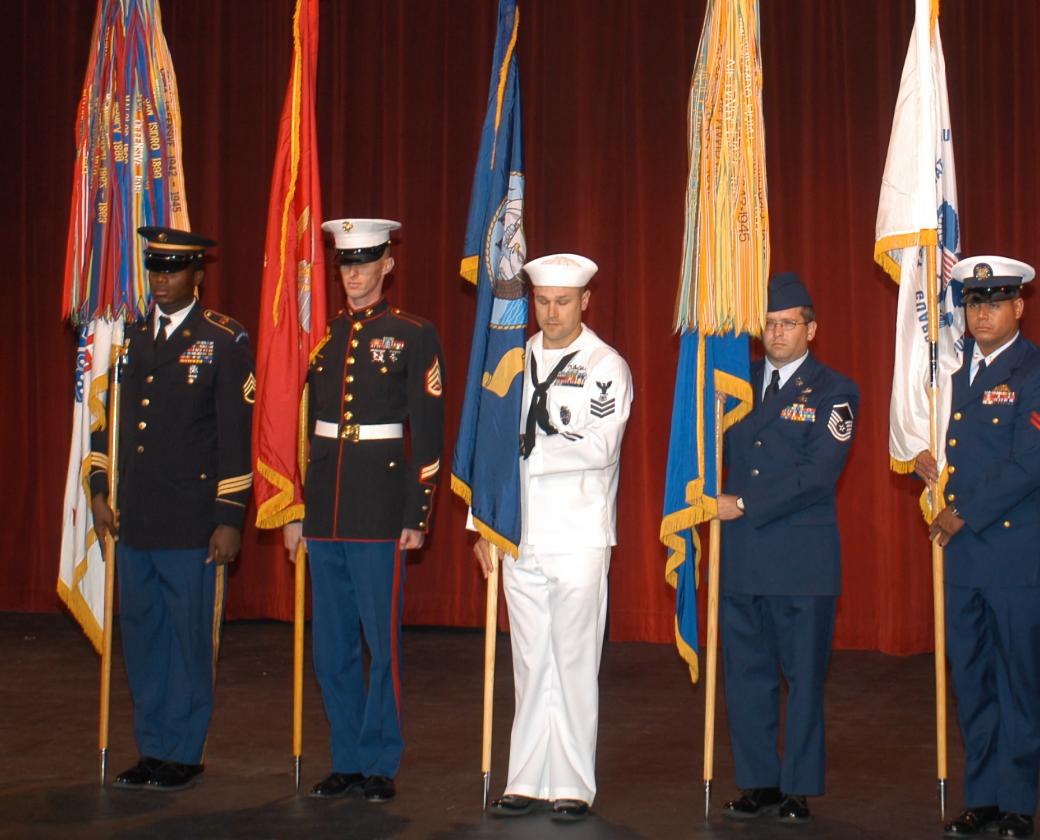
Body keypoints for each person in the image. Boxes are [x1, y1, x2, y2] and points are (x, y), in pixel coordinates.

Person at [282, 218, 445, 803]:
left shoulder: (412, 334)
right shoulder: (321, 337)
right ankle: (346, 758)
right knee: (332, 648)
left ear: (387, 266)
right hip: (325, 506)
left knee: (382, 643)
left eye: (364, 261)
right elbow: (299, 427)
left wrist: (417, 511)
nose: (352, 273)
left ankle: (379, 761)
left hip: (380, 505)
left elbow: (426, 431)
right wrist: (295, 508)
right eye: (345, 263)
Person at [89, 226, 254, 791]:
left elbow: (236, 435)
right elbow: (108, 424)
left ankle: (185, 751)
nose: (162, 280)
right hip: (136, 516)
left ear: (197, 276)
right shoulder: (130, 339)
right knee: (143, 635)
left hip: (192, 523)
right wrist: (99, 489)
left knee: (187, 638)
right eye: (155, 269)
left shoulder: (223, 340)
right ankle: (153, 746)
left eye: (173, 270)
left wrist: (230, 516)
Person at [478, 253, 633, 822]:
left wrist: (535, 450)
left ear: (585, 301)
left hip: (578, 534)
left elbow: (599, 446)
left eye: (562, 302)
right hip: (520, 534)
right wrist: (483, 525)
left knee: (571, 661)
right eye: (542, 301)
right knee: (529, 661)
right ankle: (525, 779)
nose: (551, 312)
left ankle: (571, 784)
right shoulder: (511, 360)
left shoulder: (604, 365)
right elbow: (488, 442)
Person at [921, 256, 1040, 840]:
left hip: (1015, 557)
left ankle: (1016, 803)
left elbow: (1028, 464)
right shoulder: (951, 374)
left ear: (1018, 307)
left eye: (994, 302)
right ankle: (980, 797)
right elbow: (944, 441)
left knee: (1017, 681)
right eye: (973, 303)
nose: (981, 313)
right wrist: (923, 460)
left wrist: (963, 512)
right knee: (973, 679)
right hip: (963, 558)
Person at [713, 272, 859, 826]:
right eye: (770, 324)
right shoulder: (734, 381)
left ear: (811, 328)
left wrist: (743, 503)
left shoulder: (835, 391)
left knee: (802, 680)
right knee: (747, 677)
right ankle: (758, 782)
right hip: (744, 558)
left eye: (789, 323)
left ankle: (797, 786)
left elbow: (818, 474)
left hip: (802, 563)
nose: (777, 333)